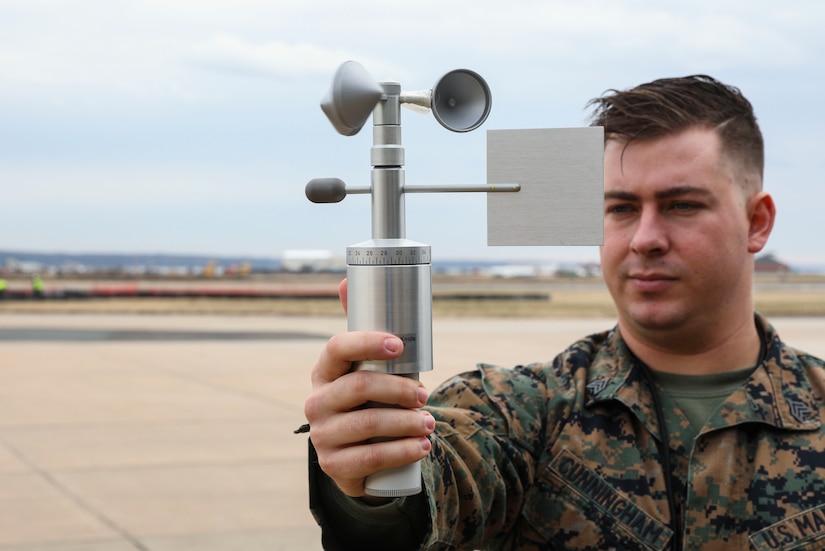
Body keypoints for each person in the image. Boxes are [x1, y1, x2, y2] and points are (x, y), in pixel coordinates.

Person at [302, 75, 825, 550]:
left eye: (681, 205)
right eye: (620, 208)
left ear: (757, 222)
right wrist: (369, 477)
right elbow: (434, 495)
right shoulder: (522, 412)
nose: (644, 239)